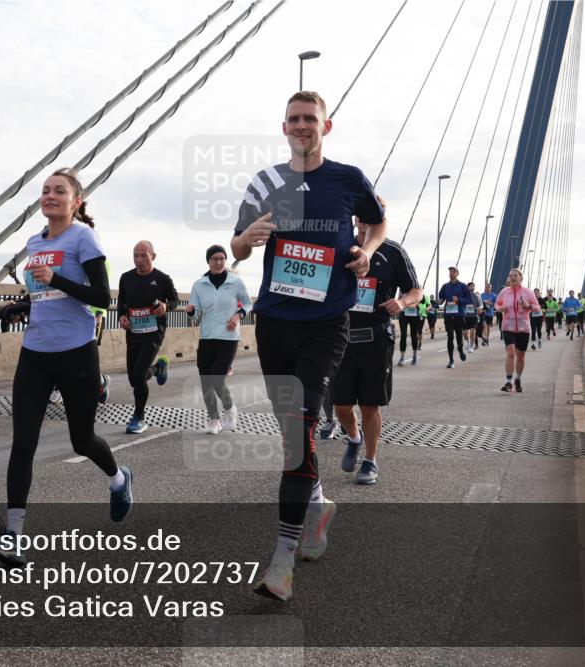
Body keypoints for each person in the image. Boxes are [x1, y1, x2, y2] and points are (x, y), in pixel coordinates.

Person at [231, 90, 386, 601]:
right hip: (274, 322)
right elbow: (235, 246)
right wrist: (246, 238)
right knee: (290, 434)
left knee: (298, 435)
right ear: (283, 127)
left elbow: (378, 221)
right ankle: (317, 504)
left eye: (310, 119)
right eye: (294, 119)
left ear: (327, 126)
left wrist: (366, 249)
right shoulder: (266, 183)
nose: (302, 126)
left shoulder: (347, 179)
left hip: (326, 323)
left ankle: (281, 562)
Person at [0, 168, 131, 566]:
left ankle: (119, 481)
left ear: (76, 202)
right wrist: (22, 305)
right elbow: (45, 293)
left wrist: (56, 278)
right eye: (45, 190)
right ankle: (14, 536)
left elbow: (102, 297)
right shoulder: (34, 241)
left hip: (76, 352)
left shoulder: (83, 238)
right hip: (35, 352)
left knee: (81, 441)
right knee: (23, 443)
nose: (50, 196)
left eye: (60, 191)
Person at [335, 222, 421, 484]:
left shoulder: (393, 251)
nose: (365, 223)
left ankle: (370, 461)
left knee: (370, 405)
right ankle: (354, 438)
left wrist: (402, 301)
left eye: (373, 218)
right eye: (361, 217)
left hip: (376, 340)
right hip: (341, 338)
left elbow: (416, 291)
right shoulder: (341, 246)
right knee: (341, 406)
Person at [186, 245, 251, 434]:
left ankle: (230, 409)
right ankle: (214, 420)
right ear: (208, 261)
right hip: (206, 338)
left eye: (222, 258)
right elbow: (195, 312)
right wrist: (190, 312)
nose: (219, 262)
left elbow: (248, 304)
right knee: (206, 381)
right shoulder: (199, 284)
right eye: (215, 258)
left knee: (217, 378)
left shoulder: (236, 282)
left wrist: (238, 316)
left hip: (229, 338)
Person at [117, 241, 179, 434]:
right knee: (135, 379)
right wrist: (122, 316)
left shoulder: (162, 279)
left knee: (138, 375)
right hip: (134, 333)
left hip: (154, 332)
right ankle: (159, 368)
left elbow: (175, 300)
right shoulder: (126, 278)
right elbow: (121, 302)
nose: (139, 260)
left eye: (143, 255)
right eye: (135, 256)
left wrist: (166, 306)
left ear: (153, 256)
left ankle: (139, 417)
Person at [495, 268, 541, 392]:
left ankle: (518, 379)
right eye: (511, 276)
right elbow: (497, 304)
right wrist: (499, 308)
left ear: (521, 278)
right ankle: (508, 382)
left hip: (523, 328)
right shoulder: (504, 292)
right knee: (510, 353)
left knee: (520, 356)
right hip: (508, 327)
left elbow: (537, 308)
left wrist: (528, 306)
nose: (513, 277)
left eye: (515, 275)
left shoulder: (528, 292)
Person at [438, 267, 472, 368]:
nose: (451, 273)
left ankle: (461, 351)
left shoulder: (463, 286)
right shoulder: (445, 286)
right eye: (450, 272)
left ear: (457, 274)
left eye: (453, 272)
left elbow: (469, 300)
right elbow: (441, 299)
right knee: (450, 336)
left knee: (458, 336)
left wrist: (459, 299)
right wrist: (436, 303)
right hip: (448, 315)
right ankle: (451, 360)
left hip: (459, 315)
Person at [89, 259, 113, 404]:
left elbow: (104, 288)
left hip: (94, 316)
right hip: (75, 316)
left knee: (88, 356)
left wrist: (98, 313)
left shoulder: (101, 262)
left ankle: (101, 382)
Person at [397, 290, 423, 366]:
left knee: (414, 335)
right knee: (403, 335)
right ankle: (402, 358)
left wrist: (417, 300)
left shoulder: (417, 287)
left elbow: (423, 300)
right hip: (404, 313)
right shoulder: (402, 288)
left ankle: (414, 356)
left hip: (414, 313)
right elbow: (399, 299)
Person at [464, 282, 482, 353]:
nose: (472, 287)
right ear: (467, 287)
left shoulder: (477, 296)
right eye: (471, 286)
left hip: (474, 316)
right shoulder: (464, 295)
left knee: (472, 332)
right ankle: (468, 343)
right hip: (465, 316)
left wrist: (479, 308)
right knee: (465, 334)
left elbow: (481, 305)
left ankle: (472, 346)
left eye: (473, 286)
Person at [480, 282, 496, 347]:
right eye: (486, 287)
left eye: (489, 287)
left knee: (488, 326)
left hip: (490, 313)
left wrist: (490, 303)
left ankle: (487, 338)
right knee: (484, 326)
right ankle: (485, 338)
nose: (487, 288)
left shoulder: (494, 295)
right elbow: (479, 303)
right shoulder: (482, 295)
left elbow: (496, 304)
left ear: (491, 288)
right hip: (483, 313)